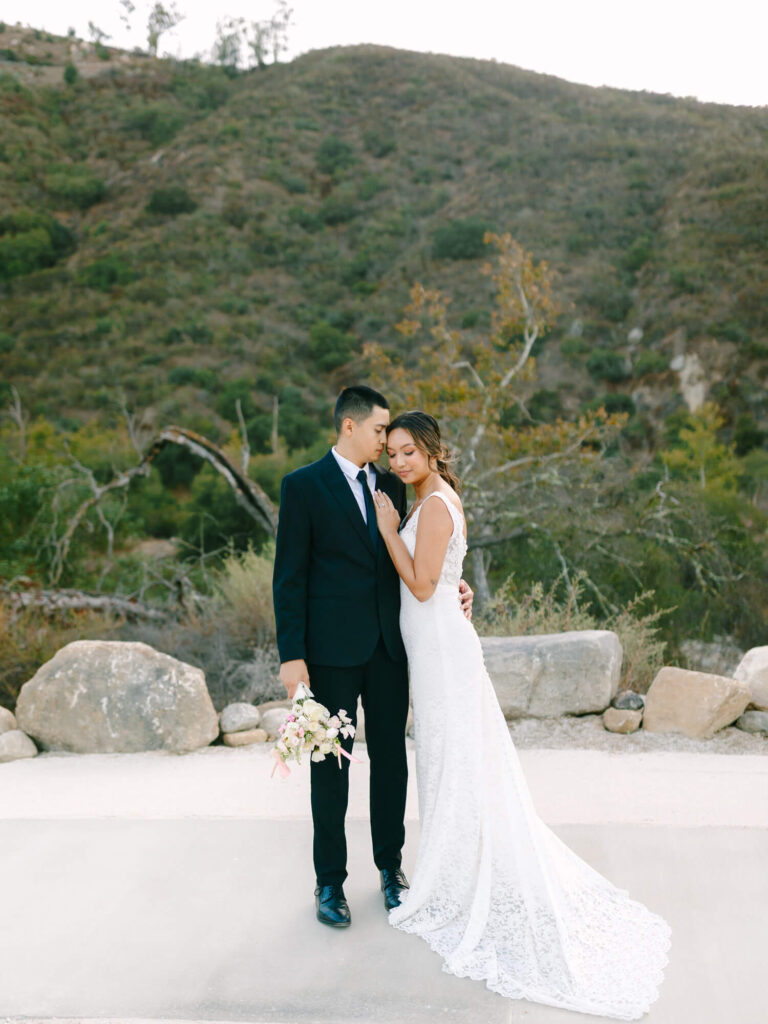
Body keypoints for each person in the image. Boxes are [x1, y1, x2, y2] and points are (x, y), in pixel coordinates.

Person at [372, 410, 671, 1021]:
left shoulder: (433, 505)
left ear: (432, 451)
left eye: (408, 452)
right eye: (392, 453)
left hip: (441, 650)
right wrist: (452, 582)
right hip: (433, 646)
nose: (398, 462)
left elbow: (424, 586)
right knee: (448, 758)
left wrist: (385, 531)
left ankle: (457, 879)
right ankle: (454, 867)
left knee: (453, 757)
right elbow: (442, 580)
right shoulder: (431, 498)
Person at [272, 386, 473, 929]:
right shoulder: (303, 486)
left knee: (391, 763)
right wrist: (292, 656)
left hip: (390, 648)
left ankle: (391, 870)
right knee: (330, 768)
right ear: (350, 427)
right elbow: (289, 577)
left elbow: (416, 555)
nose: (387, 443)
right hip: (329, 654)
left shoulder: (392, 485)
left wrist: (456, 586)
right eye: (381, 431)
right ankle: (329, 883)